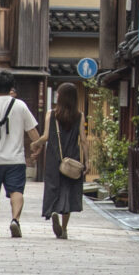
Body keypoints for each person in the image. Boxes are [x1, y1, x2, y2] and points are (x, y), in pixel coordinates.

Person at [0, 71, 40, 238]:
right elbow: (32, 130)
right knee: (17, 191)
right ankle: (15, 220)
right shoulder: (21, 105)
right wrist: (37, 147)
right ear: (11, 87)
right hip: (16, 159)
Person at [40, 86, 88, 238]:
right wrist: (87, 161)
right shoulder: (79, 115)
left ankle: (54, 210)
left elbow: (46, 137)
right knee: (68, 191)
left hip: (54, 158)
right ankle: (65, 229)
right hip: (72, 159)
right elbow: (83, 140)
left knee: (53, 187)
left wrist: (35, 144)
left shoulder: (51, 114)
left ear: (61, 96)